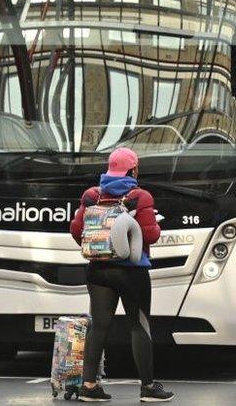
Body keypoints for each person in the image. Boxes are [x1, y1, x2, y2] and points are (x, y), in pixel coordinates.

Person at [69, 148, 175, 402]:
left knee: (99, 326)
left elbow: (76, 231)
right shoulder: (140, 196)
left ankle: (89, 386)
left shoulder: (91, 195)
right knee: (139, 326)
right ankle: (148, 387)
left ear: (109, 169)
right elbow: (150, 235)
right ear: (134, 170)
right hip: (132, 271)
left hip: (97, 271)